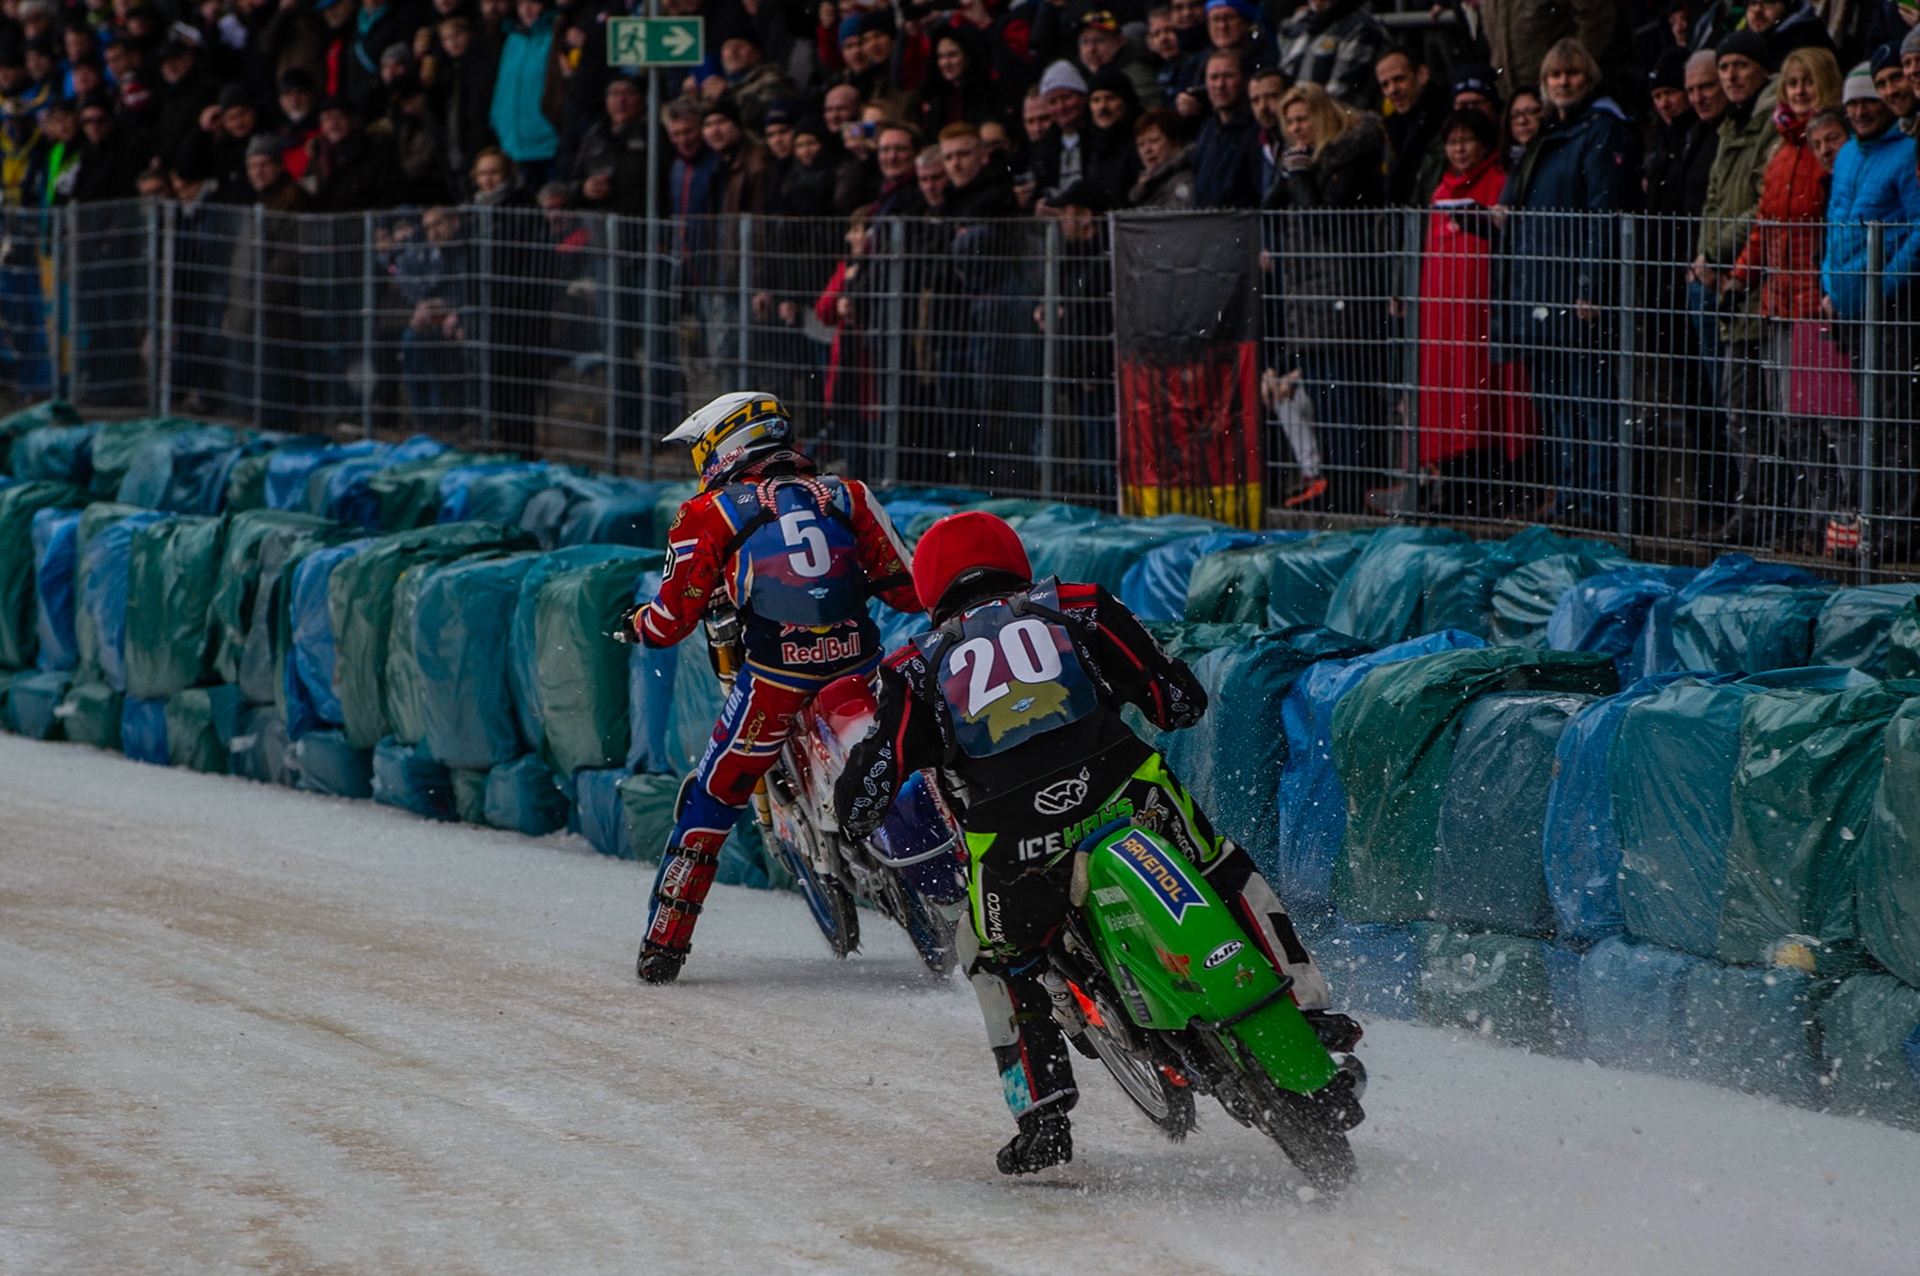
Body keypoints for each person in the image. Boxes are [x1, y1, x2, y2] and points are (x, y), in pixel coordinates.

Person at [832, 510, 1349, 1176]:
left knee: (996, 958)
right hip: (1127, 795)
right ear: (1015, 560)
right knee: (1224, 868)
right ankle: (1306, 1006)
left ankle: (1042, 1117)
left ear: (930, 589)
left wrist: (857, 811)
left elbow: (865, 792)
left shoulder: (915, 668)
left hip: (1018, 847)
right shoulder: (1077, 604)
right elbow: (1179, 702)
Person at [621, 392, 922, 985]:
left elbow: (670, 620)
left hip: (775, 683)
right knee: (923, 753)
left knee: (711, 797)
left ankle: (663, 946)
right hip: (861, 669)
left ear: (724, 446)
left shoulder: (708, 512)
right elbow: (907, 587)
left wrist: (636, 624)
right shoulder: (847, 494)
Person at [1496, 38, 1640, 528]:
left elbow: (1604, 212)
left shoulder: (1602, 130)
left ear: (1589, 77)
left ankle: (1599, 506)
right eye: (1555, 75)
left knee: (1591, 402)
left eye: (1572, 73)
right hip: (1541, 293)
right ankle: (1570, 500)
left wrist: (1591, 285)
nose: (1563, 82)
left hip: (1574, 296)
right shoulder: (1550, 135)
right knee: (1556, 404)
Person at [1726, 48, 1844, 552]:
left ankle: (1832, 519)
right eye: (1792, 83)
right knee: (1788, 420)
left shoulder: (1830, 150)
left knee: (1822, 419)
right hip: (1777, 305)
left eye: (1807, 82)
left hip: (1814, 305)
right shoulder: (1781, 151)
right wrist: (1740, 278)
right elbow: (1764, 225)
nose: (1798, 91)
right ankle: (1810, 517)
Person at [1264, 82, 1388, 512]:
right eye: (1291, 122)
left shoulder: (1350, 158)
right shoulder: (1305, 161)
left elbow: (1327, 219)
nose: (1298, 128)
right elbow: (1270, 205)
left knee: (1346, 400)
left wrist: (1300, 177)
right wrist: (1290, 173)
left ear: (1323, 116)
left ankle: (1355, 487)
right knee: (1325, 399)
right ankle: (1336, 484)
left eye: (1304, 119)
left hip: (1342, 298)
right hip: (1308, 302)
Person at [1821, 61, 1920, 561]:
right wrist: (1829, 285)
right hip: (1850, 311)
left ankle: (1902, 527)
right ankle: (1876, 520)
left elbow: (1919, 228)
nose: (1861, 110)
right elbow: (1834, 226)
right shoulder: (1845, 155)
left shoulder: (1908, 152)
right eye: (1854, 102)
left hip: (1892, 311)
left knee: (1896, 418)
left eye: (1870, 99)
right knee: (1869, 420)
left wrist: (1882, 286)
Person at [1417, 109, 1535, 516]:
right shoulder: (1441, 190)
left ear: (1485, 145)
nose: (1459, 149)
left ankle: (1486, 485)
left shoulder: (1498, 184)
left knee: (1483, 396)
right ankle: (1453, 485)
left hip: (1481, 312)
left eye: (1466, 141)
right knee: (1449, 399)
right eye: (1452, 142)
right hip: (1445, 317)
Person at [1695, 29, 1781, 544]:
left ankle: (1772, 518)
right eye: (1724, 66)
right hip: (1730, 289)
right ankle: (1754, 514)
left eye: (1739, 65)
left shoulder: (1770, 122)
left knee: (1767, 416)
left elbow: (1763, 208)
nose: (1729, 76)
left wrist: (1718, 254)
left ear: (1762, 69)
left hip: (1759, 288)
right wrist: (1709, 256)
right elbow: (1714, 202)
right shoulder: (1731, 127)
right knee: (1739, 412)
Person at [1275, 0, 1389, 112]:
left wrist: (1297, 115)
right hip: (1298, 118)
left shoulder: (1362, 28)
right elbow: (1281, 84)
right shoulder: (1293, 26)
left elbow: (1342, 96)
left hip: (1343, 120)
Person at [1376, 43, 1449, 205]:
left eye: (1399, 79)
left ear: (1422, 74)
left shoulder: (1445, 116)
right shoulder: (1392, 127)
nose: (1392, 90)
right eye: (1385, 84)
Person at [1190, 47, 1262, 208]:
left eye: (1229, 76)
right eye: (1213, 77)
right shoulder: (1207, 130)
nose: (1220, 85)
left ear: (1246, 80)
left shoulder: (1257, 131)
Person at [1128, 106, 1193, 208]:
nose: (1147, 150)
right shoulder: (1147, 184)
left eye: (1154, 141)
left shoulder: (1185, 180)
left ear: (1175, 142)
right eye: (1141, 144)